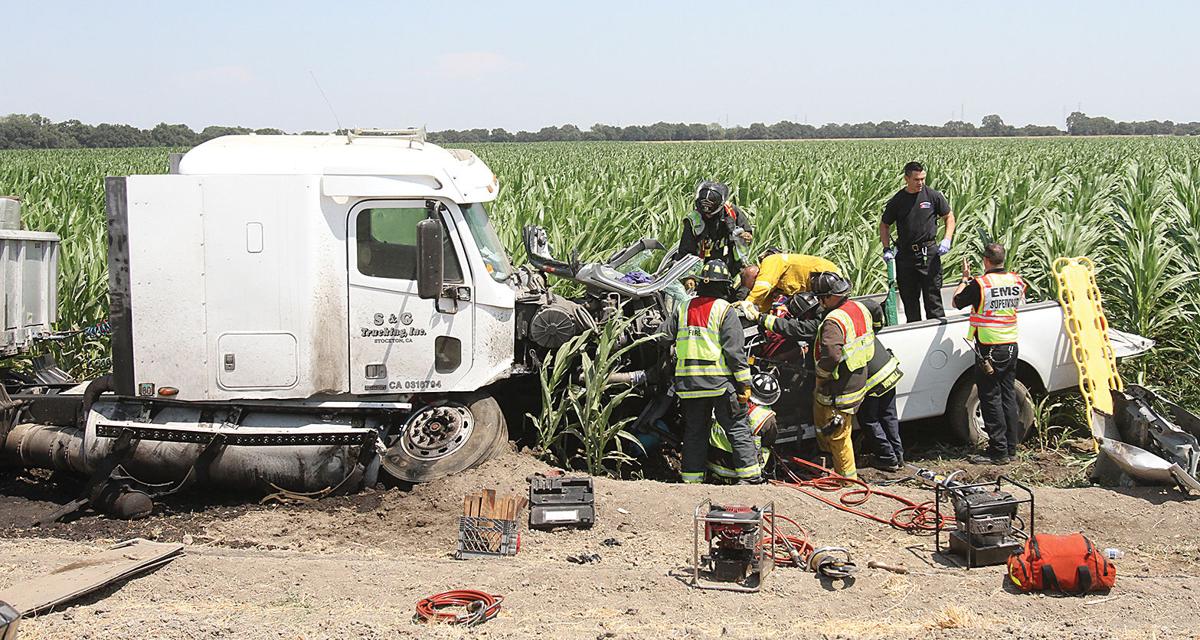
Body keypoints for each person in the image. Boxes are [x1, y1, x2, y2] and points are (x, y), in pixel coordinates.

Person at [659, 259, 761, 484]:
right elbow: (735, 353)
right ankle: (751, 477)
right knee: (736, 426)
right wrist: (745, 384)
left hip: (689, 385)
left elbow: (663, 338)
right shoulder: (725, 310)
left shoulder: (682, 308)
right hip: (718, 384)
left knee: (695, 432)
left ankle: (692, 480)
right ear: (725, 285)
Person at [953, 243, 1025, 465]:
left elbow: (956, 302)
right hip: (1011, 345)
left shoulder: (980, 284)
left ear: (985, 260)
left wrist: (964, 279)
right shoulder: (1016, 280)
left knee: (991, 398)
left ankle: (998, 452)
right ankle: (1010, 448)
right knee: (1008, 396)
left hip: (990, 348)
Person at [809, 272, 876, 478]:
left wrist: (821, 375)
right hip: (857, 378)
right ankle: (826, 456)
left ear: (828, 297)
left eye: (821, 297)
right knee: (820, 410)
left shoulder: (833, 320)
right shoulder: (859, 307)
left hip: (840, 386)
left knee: (839, 434)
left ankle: (847, 480)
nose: (820, 302)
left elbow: (831, 355)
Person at [879, 162, 956, 322]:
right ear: (906, 178)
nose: (920, 183)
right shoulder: (898, 200)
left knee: (933, 298)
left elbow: (949, 216)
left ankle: (935, 330)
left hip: (929, 254)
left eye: (922, 179)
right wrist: (886, 249)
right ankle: (915, 332)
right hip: (906, 256)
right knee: (909, 300)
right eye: (916, 179)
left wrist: (947, 239)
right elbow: (884, 225)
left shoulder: (933, 196)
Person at [675, 180, 753, 279]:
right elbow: (685, 251)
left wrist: (746, 236)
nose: (707, 216)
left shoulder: (731, 212)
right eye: (705, 214)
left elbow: (747, 233)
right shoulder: (693, 219)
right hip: (702, 261)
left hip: (729, 258)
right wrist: (689, 277)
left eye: (710, 214)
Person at [737, 248, 841, 313]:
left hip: (828, 277)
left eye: (752, 286)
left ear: (755, 276)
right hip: (821, 286)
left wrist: (747, 303)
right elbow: (764, 304)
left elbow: (762, 287)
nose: (753, 289)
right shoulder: (775, 279)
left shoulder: (770, 261)